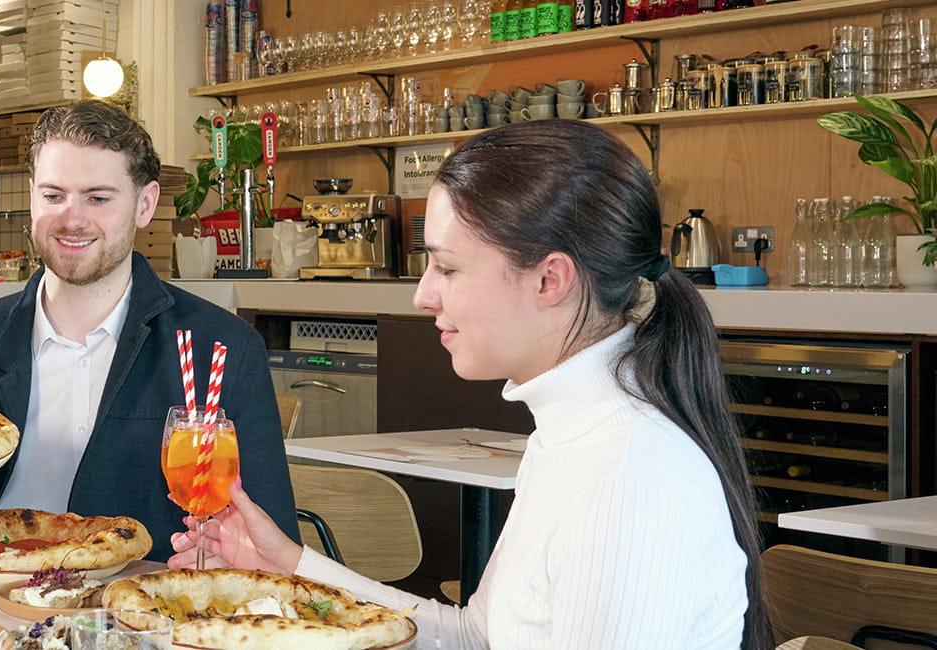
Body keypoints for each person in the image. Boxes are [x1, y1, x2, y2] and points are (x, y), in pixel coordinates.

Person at [170, 120, 769, 649]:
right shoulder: (570, 439)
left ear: (549, 280)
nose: (423, 295)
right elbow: (476, 637)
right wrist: (289, 566)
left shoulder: (625, 481)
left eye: (448, 267)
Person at [0, 100, 302, 561]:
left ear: (145, 204)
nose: (72, 219)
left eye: (98, 198)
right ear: (32, 196)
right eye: (54, 196)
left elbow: (268, 543)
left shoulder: (222, 350)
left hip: (135, 600)